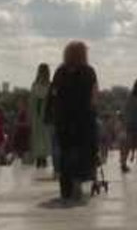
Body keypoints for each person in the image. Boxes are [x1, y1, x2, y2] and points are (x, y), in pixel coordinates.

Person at [49, 40, 99, 204]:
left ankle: (66, 186)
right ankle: (78, 180)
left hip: (64, 119)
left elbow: (54, 95)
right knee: (83, 150)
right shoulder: (88, 72)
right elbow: (94, 96)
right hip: (83, 118)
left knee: (65, 152)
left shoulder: (60, 72)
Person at [29, 64, 52, 169]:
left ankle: (41, 158)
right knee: (41, 137)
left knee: (43, 137)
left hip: (43, 115)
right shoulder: (47, 85)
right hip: (40, 116)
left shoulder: (37, 85)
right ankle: (40, 158)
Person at [121, 80, 137, 173]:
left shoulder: (131, 97)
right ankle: (125, 162)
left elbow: (126, 109)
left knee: (135, 143)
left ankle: (127, 161)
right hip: (134, 123)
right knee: (130, 143)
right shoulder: (136, 97)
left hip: (135, 123)